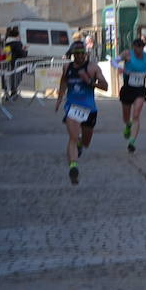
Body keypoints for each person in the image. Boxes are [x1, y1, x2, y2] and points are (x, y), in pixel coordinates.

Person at [55, 41, 108, 185]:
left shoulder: (93, 68)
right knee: (72, 137)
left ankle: (79, 145)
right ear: (72, 55)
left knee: (85, 142)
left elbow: (105, 87)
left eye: (82, 54)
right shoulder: (67, 67)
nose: (79, 57)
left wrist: (91, 82)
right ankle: (73, 166)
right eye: (76, 54)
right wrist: (60, 99)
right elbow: (63, 82)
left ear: (86, 54)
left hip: (89, 109)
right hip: (72, 107)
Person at [115, 36, 146, 152]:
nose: (139, 50)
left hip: (140, 89)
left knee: (136, 115)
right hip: (127, 88)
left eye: (142, 48)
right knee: (126, 117)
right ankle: (128, 125)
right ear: (133, 47)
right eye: (137, 48)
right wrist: (119, 68)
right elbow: (114, 61)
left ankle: (132, 142)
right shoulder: (127, 54)